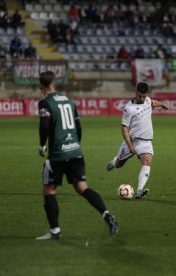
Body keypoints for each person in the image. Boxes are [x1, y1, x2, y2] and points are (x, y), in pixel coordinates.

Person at [36, 71, 118, 240]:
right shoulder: (69, 101)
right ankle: (107, 214)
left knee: (49, 190)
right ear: (54, 84)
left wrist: (42, 144)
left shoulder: (45, 103)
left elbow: (44, 126)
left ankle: (55, 232)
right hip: (75, 152)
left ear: (40, 87)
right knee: (82, 188)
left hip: (58, 154)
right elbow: (79, 127)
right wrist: (76, 144)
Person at [106, 82, 169, 199]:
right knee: (120, 164)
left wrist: (162, 104)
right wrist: (129, 145)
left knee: (147, 161)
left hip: (146, 141)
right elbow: (124, 129)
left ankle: (140, 190)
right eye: (140, 96)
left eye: (145, 96)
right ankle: (115, 161)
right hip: (132, 141)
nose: (143, 98)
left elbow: (152, 103)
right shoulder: (129, 109)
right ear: (136, 92)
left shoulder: (147, 100)